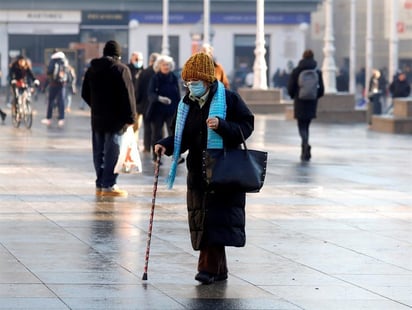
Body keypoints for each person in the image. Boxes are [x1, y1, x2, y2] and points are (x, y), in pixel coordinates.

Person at [154, 52, 254, 285]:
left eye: (195, 81)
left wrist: (222, 126)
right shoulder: (186, 104)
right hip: (198, 172)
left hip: (223, 170)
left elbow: (247, 126)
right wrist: (164, 145)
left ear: (208, 80)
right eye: (187, 81)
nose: (191, 85)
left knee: (213, 221)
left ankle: (207, 268)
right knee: (205, 221)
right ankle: (219, 269)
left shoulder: (229, 100)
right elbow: (182, 138)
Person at [81, 40, 137, 197]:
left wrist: (96, 106)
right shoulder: (121, 69)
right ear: (118, 54)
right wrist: (131, 117)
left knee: (98, 152)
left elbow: (84, 93)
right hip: (116, 120)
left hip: (97, 118)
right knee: (113, 152)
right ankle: (109, 184)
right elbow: (128, 95)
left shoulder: (92, 69)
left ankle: (100, 183)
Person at [287, 49, 325, 161]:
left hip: (300, 101)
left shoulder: (297, 70)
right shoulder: (317, 71)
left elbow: (291, 86)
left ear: (303, 57)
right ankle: (306, 143)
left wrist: (293, 95)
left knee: (301, 124)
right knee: (307, 125)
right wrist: (315, 96)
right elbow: (322, 89)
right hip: (312, 102)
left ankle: (305, 144)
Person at [147, 54, 181, 162]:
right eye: (163, 65)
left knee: (173, 134)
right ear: (159, 66)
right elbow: (150, 94)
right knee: (157, 134)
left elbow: (178, 94)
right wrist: (159, 98)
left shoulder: (173, 77)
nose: (166, 67)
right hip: (158, 111)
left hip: (171, 110)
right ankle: (156, 156)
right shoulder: (155, 78)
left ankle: (176, 156)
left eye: (167, 65)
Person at [136, 52, 159, 153]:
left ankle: (146, 147)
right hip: (157, 104)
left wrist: (138, 103)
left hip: (145, 104)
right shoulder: (158, 73)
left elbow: (138, 89)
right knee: (158, 128)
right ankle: (157, 147)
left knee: (147, 127)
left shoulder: (143, 72)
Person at [42, 50, 67, 127]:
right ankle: (61, 119)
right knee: (61, 101)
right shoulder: (64, 61)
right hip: (62, 84)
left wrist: (45, 86)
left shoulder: (53, 61)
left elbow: (49, 72)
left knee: (51, 101)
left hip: (53, 84)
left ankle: (48, 118)